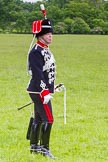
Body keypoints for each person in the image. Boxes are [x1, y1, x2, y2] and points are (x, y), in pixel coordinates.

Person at [26, 18, 56, 159]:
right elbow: (37, 74)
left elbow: (46, 72)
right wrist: (45, 91)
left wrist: (52, 87)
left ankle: (34, 147)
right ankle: (45, 149)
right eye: (47, 33)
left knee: (38, 118)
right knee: (48, 119)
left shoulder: (44, 50)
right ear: (40, 35)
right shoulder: (36, 51)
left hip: (39, 90)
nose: (50, 35)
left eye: (51, 33)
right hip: (38, 90)